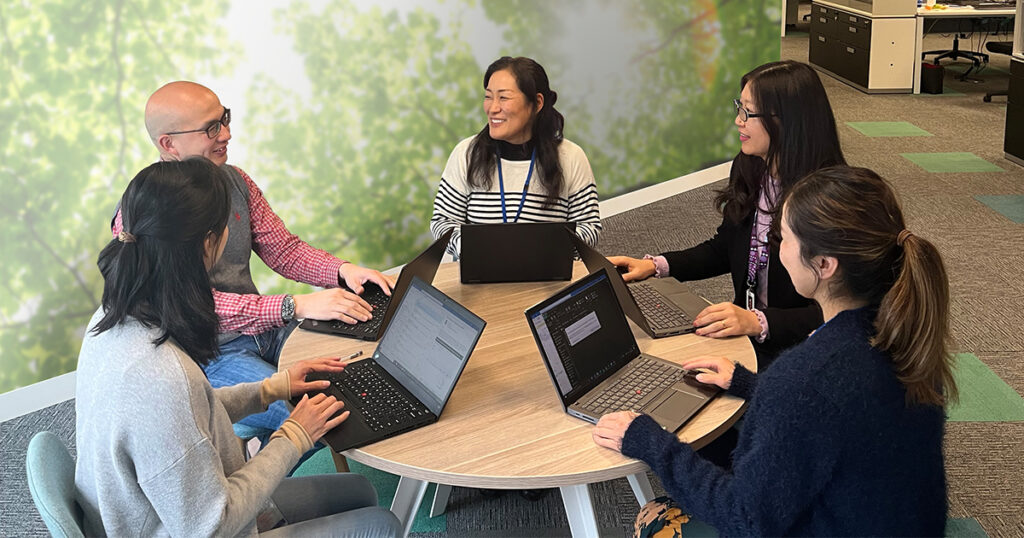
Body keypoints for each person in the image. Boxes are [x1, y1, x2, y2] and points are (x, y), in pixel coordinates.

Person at [593, 165, 955, 536]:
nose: (775, 250)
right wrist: (752, 385)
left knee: (653, 515)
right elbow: (836, 414)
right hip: (893, 520)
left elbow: (747, 518)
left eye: (783, 239)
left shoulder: (804, 378)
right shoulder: (909, 335)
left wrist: (649, 441)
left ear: (824, 265)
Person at [77, 158, 400, 536]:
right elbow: (211, 526)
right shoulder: (162, 378)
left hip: (167, 508)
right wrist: (293, 435)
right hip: (206, 524)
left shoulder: (113, 316)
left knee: (359, 490)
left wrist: (270, 389)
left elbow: (188, 416)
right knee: (381, 524)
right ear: (208, 243)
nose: (224, 134)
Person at [112, 81, 393, 442]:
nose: (226, 134)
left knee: (357, 368)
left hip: (265, 330)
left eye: (224, 119)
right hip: (207, 354)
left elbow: (284, 250)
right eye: (211, 128)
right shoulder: (143, 211)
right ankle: (263, 483)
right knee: (312, 419)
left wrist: (341, 271)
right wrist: (295, 305)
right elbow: (188, 303)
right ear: (168, 144)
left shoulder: (236, 181)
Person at [609, 60, 846, 365]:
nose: (738, 120)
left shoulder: (831, 201)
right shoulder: (750, 167)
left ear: (786, 120)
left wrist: (760, 322)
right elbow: (727, 248)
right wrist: (657, 266)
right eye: (739, 107)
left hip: (804, 352)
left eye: (748, 112)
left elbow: (843, 310)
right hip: (745, 337)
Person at [430, 56, 601, 257]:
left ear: (537, 103)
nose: (492, 108)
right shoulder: (466, 153)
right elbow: (442, 221)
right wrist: (471, 248)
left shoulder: (570, 156)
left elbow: (589, 227)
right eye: (488, 96)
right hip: (478, 283)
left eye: (503, 97)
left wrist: (546, 251)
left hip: (550, 282)